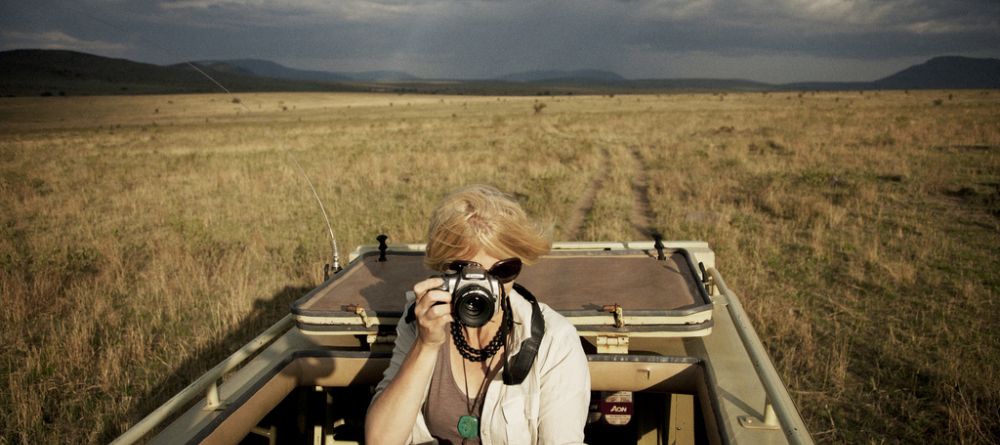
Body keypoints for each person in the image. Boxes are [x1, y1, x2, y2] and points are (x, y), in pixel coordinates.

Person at [365, 185, 590, 444]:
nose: (485, 286)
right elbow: (381, 440)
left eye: (503, 271)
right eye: (466, 271)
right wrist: (426, 346)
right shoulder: (423, 321)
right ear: (443, 269)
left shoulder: (554, 339)